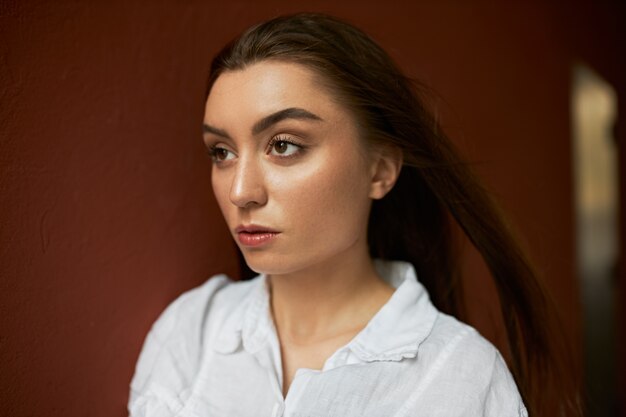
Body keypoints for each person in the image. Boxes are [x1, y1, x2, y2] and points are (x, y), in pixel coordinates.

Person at [128, 13, 579, 416]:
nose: (241, 191)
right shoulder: (189, 333)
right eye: (222, 152)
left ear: (380, 169)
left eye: (284, 145)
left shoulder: (461, 377)